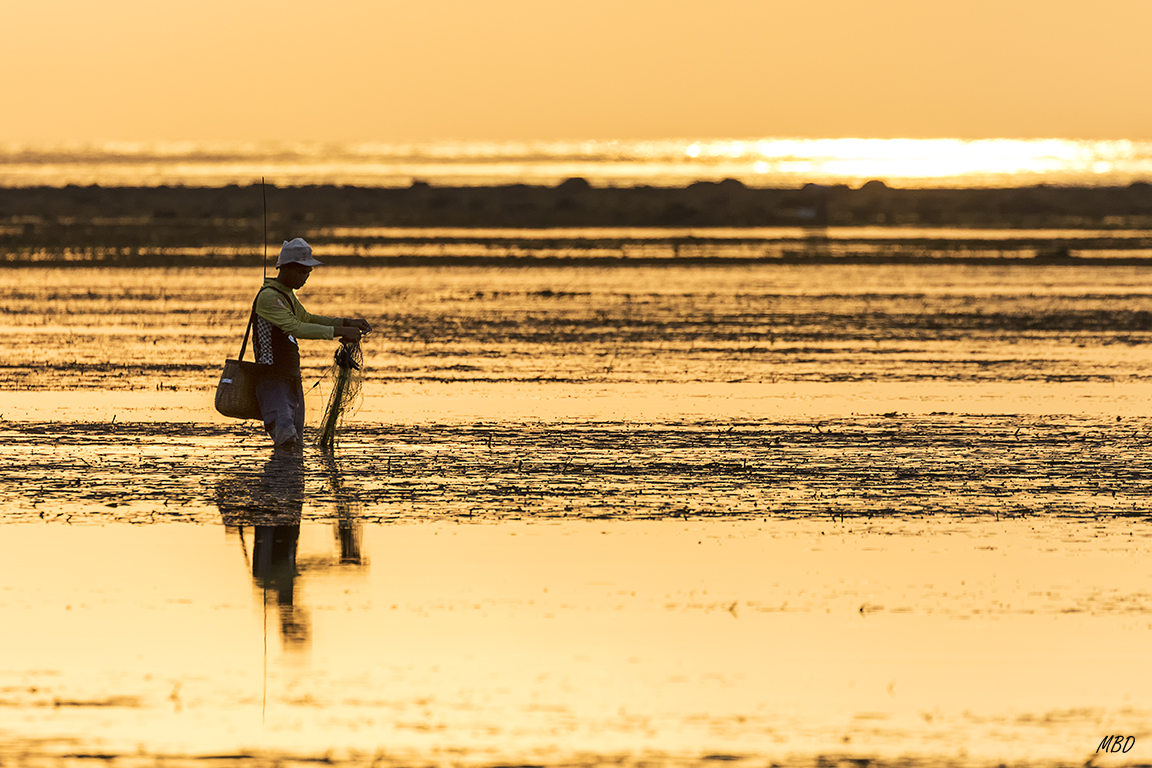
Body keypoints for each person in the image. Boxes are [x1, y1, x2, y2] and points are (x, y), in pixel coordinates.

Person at [253, 237, 372, 451]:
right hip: (272, 378)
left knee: (295, 441)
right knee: (286, 439)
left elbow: (306, 319)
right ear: (285, 268)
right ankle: (276, 483)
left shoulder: (285, 296)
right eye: (301, 271)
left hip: (290, 376)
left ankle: (290, 483)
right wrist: (339, 331)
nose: (305, 277)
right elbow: (296, 327)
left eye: (308, 272)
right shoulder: (269, 297)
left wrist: (346, 322)